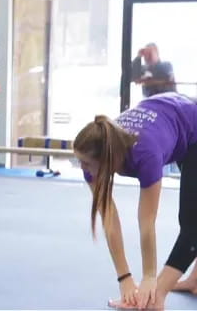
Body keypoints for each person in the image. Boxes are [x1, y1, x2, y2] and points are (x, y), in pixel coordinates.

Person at [74, 92, 197, 309]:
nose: (82, 169)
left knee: (192, 222)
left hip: (189, 120)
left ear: (107, 161)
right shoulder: (97, 160)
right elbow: (110, 220)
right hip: (171, 117)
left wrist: (150, 278)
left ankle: (156, 296)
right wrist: (125, 279)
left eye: (85, 163)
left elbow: (147, 223)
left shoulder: (145, 153)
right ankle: (194, 279)